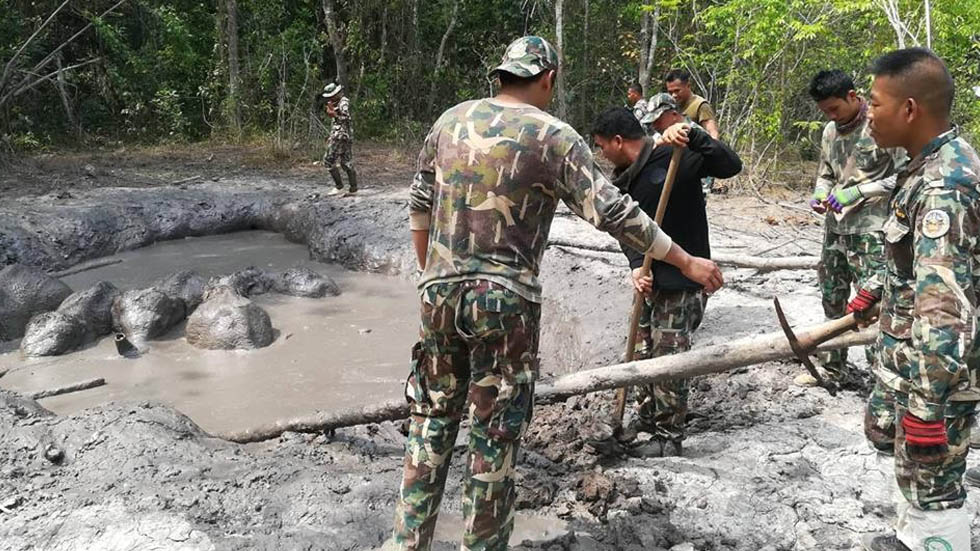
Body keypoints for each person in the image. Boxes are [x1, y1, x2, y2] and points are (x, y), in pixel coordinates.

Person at [392, 36, 724, 551]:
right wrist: (685, 260)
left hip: (438, 294)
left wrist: (431, 275)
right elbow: (614, 213)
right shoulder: (553, 135)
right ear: (548, 78)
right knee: (493, 436)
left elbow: (419, 204)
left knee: (430, 422)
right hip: (505, 300)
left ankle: (406, 542)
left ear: (500, 75)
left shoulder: (449, 122)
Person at [857, 47, 979, 551]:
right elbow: (915, 267)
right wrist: (877, 287)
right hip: (910, 362)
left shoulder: (944, 186)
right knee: (909, 470)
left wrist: (928, 407)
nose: (868, 113)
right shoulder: (923, 166)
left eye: (875, 103)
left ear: (910, 109)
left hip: (935, 375)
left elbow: (945, 307)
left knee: (933, 487)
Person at [592, 103, 741, 456]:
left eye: (601, 146)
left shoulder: (676, 157)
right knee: (644, 354)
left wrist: (695, 136)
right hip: (649, 279)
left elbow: (731, 166)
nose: (601, 153)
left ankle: (667, 437)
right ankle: (648, 416)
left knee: (668, 358)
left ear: (617, 141)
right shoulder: (625, 179)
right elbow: (627, 232)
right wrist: (633, 266)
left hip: (683, 281)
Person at [803, 70, 906, 456]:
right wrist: (821, 193)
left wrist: (860, 191)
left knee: (870, 303)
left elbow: (901, 177)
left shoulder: (881, 126)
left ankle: (880, 381)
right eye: (824, 111)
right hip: (836, 227)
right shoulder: (831, 131)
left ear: (852, 96)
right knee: (832, 295)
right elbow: (826, 172)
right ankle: (832, 365)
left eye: (834, 108)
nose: (831, 116)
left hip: (873, 229)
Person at [321, 82, 357, 195]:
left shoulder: (343, 102)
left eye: (331, 96)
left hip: (340, 136)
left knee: (328, 160)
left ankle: (339, 187)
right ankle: (353, 188)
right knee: (346, 162)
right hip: (343, 136)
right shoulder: (338, 102)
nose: (330, 98)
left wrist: (334, 114)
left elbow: (346, 117)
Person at [664, 69, 719, 140]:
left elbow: (712, 133)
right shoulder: (671, 106)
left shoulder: (700, 105)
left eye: (677, 91)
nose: (674, 95)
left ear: (688, 86)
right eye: (670, 92)